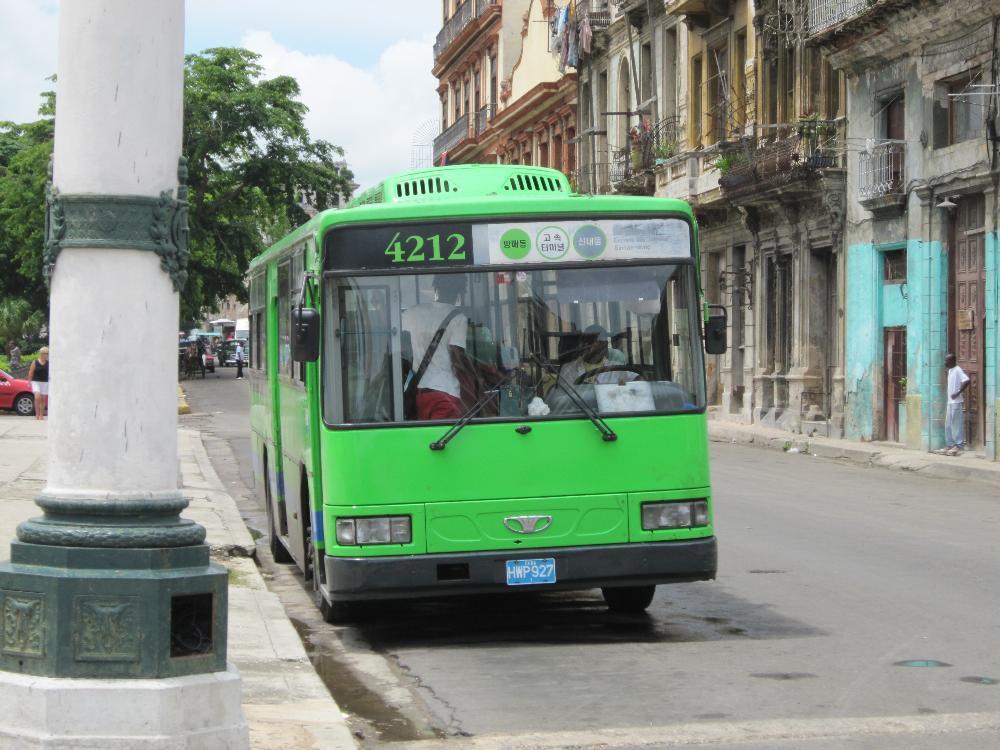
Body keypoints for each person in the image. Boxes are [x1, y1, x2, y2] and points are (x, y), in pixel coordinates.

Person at [402, 274, 469, 420]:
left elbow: (401, 351)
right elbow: (457, 359)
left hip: (418, 392)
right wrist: (475, 374)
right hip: (445, 393)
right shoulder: (459, 319)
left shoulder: (411, 313)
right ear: (460, 290)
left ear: (435, 286)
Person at [557, 324, 638, 388]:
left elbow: (637, 379)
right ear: (583, 344)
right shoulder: (568, 369)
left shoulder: (617, 368)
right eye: (590, 341)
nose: (594, 345)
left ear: (605, 345)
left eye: (600, 342)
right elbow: (564, 398)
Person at [944, 352, 970, 456]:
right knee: (948, 424)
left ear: (952, 361)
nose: (945, 362)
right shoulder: (950, 370)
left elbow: (967, 380)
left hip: (956, 402)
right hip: (950, 402)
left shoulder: (958, 370)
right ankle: (950, 444)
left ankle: (958, 445)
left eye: (947, 360)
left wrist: (958, 392)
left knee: (956, 424)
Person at [27, 346, 49, 420]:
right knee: (37, 397)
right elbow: (31, 372)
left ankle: (41, 415)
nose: (46, 355)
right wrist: (29, 382)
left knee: (42, 399)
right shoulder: (35, 362)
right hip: (36, 381)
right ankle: (37, 414)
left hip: (45, 382)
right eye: (45, 353)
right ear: (41, 354)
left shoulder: (49, 363)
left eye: (47, 353)